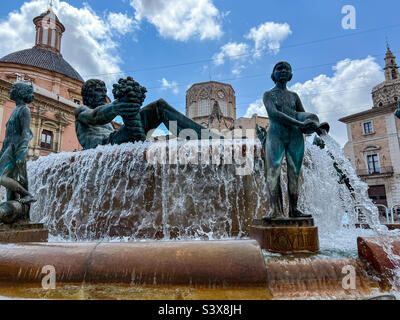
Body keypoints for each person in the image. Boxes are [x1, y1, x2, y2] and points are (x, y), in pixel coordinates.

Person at [263, 61, 329, 219]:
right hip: (275, 135)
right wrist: (300, 123)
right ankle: (275, 210)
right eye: (279, 68)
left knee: (294, 173)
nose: (283, 71)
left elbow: (302, 115)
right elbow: (274, 114)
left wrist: (313, 124)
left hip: (295, 136)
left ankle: (294, 209)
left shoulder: (294, 96)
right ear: (273, 74)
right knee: (273, 172)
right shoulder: (268, 95)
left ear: (291, 75)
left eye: (287, 69)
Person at [75, 78, 219, 150]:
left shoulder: (107, 118)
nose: (102, 95)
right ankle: (213, 139)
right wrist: (117, 106)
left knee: (157, 108)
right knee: (159, 108)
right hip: (106, 145)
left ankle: (208, 139)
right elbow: (94, 117)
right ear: (87, 95)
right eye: (98, 91)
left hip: (114, 143)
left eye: (104, 91)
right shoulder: (81, 110)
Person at [0, 82, 36, 207]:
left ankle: (27, 195)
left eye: (13, 88)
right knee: (10, 183)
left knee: (2, 178)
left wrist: (22, 152)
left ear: (19, 92)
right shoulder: (15, 110)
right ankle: (13, 208)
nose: (10, 91)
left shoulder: (24, 110)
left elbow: (25, 132)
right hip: (8, 148)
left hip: (15, 149)